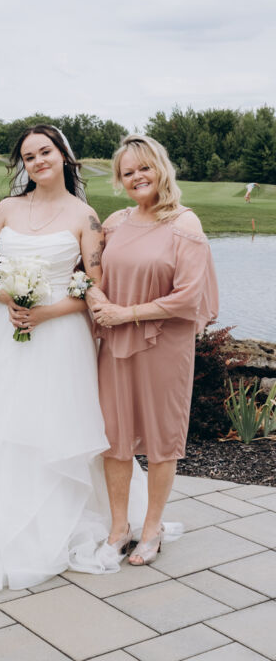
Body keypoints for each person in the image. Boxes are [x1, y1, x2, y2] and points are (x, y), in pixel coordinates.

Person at [0, 125, 149, 590]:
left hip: (60, 336)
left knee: (53, 424)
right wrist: (6, 299)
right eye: (29, 156)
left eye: (45, 152)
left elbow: (94, 286)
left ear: (63, 156)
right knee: (0, 423)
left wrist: (45, 312)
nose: (38, 161)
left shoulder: (84, 216)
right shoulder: (6, 209)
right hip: (4, 331)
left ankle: (63, 520)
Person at [90, 134, 218, 565]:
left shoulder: (185, 224)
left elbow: (188, 296)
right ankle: (118, 528)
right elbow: (89, 275)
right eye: (128, 172)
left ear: (161, 168)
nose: (137, 177)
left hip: (164, 346)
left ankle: (152, 528)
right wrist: (97, 300)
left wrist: (126, 314)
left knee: (163, 438)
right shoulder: (115, 223)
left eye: (144, 167)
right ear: (120, 180)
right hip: (114, 345)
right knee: (114, 437)